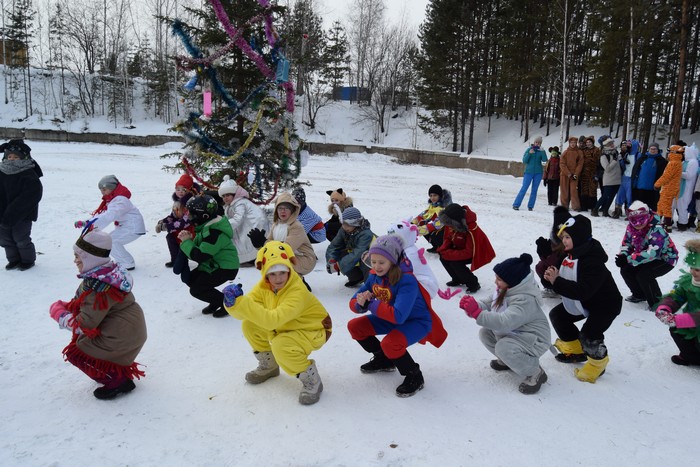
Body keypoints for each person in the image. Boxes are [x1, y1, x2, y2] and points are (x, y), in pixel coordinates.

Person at [223, 241, 332, 405]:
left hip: (313, 329)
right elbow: (245, 313)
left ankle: (312, 380)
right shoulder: (264, 287)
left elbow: (272, 321)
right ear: (265, 274)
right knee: (249, 325)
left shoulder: (297, 291)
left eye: (282, 272)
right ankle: (270, 365)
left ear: (289, 270)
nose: (278, 278)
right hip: (287, 326)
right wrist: (232, 304)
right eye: (272, 274)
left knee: (281, 345)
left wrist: (242, 303)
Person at [48, 229, 146, 400]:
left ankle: (117, 381)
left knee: (76, 353)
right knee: (82, 341)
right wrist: (69, 306)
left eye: (78, 256)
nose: (75, 260)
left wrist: (59, 314)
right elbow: (86, 305)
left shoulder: (99, 288)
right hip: (127, 330)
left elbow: (83, 324)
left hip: (121, 336)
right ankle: (113, 372)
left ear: (90, 258)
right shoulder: (106, 275)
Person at [347, 234, 447, 397]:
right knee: (355, 327)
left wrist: (371, 304)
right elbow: (353, 301)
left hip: (416, 322)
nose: (376, 266)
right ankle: (384, 360)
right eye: (373, 261)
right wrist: (361, 303)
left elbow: (399, 316)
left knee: (390, 344)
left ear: (392, 261)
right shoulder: (374, 276)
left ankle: (414, 375)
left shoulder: (407, 280)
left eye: (381, 262)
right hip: (390, 317)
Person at [543, 214, 622, 383]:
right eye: (563, 237)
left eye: (567, 237)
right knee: (558, 316)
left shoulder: (593, 262)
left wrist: (557, 282)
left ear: (578, 237)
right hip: (584, 301)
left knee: (589, 334)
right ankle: (577, 351)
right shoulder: (569, 255)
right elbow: (558, 274)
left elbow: (583, 291)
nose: (564, 241)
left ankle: (598, 363)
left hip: (605, 305)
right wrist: (549, 274)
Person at [459, 253, 551, 394]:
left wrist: (477, 313)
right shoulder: (505, 290)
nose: (495, 282)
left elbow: (504, 322)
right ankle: (509, 360)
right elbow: (487, 303)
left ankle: (535, 372)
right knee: (485, 333)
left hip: (534, 339)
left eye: (499, 279)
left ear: (513, 282)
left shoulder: (524, 300)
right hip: (518, 334)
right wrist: (473, 307)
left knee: (503, 348)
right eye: (496, 277)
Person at [178, 194, 239, 318]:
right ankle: (214, 300)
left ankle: (226, 303)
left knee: (196, 289)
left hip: (225, 268)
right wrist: (189, 240)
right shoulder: (206, 226)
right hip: (213, 264)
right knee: (191, 279)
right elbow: (199, 250)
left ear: (203, 216)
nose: (188, 216)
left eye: (191, 214)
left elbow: (200, 256)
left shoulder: (214, 233)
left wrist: (186, 242)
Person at [615, 201, 678, 310]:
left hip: (666, 259)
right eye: (634, 220)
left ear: (647, 216)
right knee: (626, 269)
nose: (638, 224)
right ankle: (639, 294)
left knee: (644, 274)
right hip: (645, 257)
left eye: (641, 219)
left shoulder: (657, 229)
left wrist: (629, 259)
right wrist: (623, 256)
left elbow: (652, 253)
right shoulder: (631, 228)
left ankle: (657, 302)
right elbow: (627, 244)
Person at [75, 175, 146, 271]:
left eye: (104, 189)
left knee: (111, 242)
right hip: (127, 227)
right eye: (101, 190)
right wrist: (87, 222)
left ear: (112, 188)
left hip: (133, 227)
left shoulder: (121, 200)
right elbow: (103, 214)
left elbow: (110, 215)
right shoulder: (112, 200)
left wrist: (92, 225)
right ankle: (125, 261)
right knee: (110, 241)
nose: (102, 192)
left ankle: (127, 263)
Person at [249, 192, 317, 288]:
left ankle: (298, 283)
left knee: (279, 259)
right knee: (270, 259)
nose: (283, 211)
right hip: (290, 257)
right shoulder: (276, 225)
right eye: (280, 208)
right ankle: (284, 283)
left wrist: (264, 242)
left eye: (287, 208)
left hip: (305, 259)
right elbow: (268, 247)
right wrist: (258, 244)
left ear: (292, 211)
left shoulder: (296, 226)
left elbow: (285, 248)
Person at [654, 239, 700, 366]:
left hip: (694, 321)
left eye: (697, 269)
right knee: (677, 330)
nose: (692, 272)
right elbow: (677, 295)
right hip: (691, 324)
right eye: (691, 267)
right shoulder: (689, 281)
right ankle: (689, 356)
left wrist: (679, 320)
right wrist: (665, 308)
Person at [0, 138, 43, 270]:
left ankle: (27, 260)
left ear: (23, 158)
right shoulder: (1, 171)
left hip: (22, 214)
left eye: (16, 157)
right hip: (2, 213)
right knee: (5, 239)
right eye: (9, 157)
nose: (12, 159)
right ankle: (14, 260)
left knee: (21, 238)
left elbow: (32, 195)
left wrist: (13, 212)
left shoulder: (28, 173)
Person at [436, 203, 495, 293]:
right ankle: (457, 278)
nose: (449, 227)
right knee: (443, 258)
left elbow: (469, 252)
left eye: (450, 224)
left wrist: (449, 254)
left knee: (455, 263)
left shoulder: (470, 229)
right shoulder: (453, 223)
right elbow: (449, 237)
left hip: (475, 252)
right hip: (460, 248)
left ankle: (473, 283)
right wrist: (443, 249)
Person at [218, 174, 269, 265]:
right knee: (241, 238)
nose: (225, 198)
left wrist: (222, 225)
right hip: (248, 224)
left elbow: (238, 219)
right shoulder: (232, 204)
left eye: (228, 195)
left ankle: (250, 257)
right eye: (223, 196)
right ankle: (247, 257)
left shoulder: (240, 203)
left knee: (246, 240)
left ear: (234, 194)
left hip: (253, 224)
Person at [387, 221, 439, 298]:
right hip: (418, 284)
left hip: (424, 287)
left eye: (395, 239)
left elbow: (400, 271)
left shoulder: (410, 254)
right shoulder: (404, 249)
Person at [325, 206, 375, 287]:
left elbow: (358, 253)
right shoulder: (344, 230)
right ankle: (356, 277)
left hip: (372, 257)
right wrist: (331, 260)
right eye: (343, 224)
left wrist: (339, 266)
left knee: (366, 260)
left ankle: (370, 286)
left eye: (347, 224)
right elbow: (334, 246)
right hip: (357, 254)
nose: (344, 227)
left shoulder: (366, 234)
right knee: (340, 254)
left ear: (356, 223)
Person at [155, 173, 198, 268]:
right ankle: (175, 260)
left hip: (192, 229)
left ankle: (186, 259)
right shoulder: (177, 202)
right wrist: (163, 221)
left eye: (184, 189)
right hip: (181, 228)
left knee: (181, 238)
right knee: (170, 237)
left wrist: (167, 227)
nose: (180, 192)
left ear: (189, 190)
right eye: (178, 189)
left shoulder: (191, 203)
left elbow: (185, 222)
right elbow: (173, 216)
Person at [534, 206, 572, 297]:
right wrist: (544, 253)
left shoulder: (570, 241)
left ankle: (558, 289)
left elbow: (560, 263)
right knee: (541, 266)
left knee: (543, 267)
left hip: (570, 274)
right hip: (558, 264)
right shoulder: (556, 237)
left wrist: (545, 256)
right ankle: (554, 288)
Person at [411, 184, 452, 252]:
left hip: (448, 232)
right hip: (440, 229)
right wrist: (412, 223)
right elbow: (423, 215)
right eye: (431, 196)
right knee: (423, 225)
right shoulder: (433, 206)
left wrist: (418, 230)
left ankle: (444, 247)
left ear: (440, 196)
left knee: (431, 232)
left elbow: (437, 224)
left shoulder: (444, 207)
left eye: (435, 195)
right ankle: (436, 246)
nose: (432, 198)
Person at [653, 145, 684, 233]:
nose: (669, 153)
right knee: (661, 204)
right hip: (671, 186)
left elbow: (667, 176)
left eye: (670, 151)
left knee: (665, 205)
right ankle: (658, 222)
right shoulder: (677, 162)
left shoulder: (673, 163)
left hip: (669, 187)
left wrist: (657, 184)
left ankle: (668, 225)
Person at [512, 136, 548, 211]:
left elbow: (544, 160)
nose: (537, 144)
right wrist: (529, 153)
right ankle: (516, 204)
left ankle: (530, 206)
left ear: (541, 144)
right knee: (524, 188)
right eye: (536, 142)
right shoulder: (529, 149)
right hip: (528, 172)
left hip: (538, 173)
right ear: (534, 142)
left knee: (534, 190)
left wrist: (543, 152)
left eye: (539, 143)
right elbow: (524, 161)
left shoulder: (541, 151)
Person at [631, 142, 667, 211]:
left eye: (654, 149)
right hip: (641, 186)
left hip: (653, 188)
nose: (653, 150)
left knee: (652, 206)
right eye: (651, 149)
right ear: (648, 149)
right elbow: (636, 170)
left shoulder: (662, 161)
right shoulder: (642, 158)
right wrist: (634, 182)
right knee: (640, 205)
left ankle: (652, 216)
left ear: (658, 150)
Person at [591, 135, 620, 217]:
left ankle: (605, 211)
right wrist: (614, 160)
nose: (612, 145)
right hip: (609, 179)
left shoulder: (615, 153)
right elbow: (607, 168)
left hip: (617, 178)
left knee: (611, 197)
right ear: (605, 145)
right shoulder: (603, 155)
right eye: (609, 144)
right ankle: (595, 210)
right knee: (605, 196)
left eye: (612, 143)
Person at [612, 139, 641, 219]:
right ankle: (617, 211)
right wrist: (622, 161)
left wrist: (637, 177)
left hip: (632, 178)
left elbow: (640, 167)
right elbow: (623, 166)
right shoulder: (626, 154)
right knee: (620, 195)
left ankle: (630, 214)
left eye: (629, 145)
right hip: (624, 177)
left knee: (629, 196)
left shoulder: (638, 155)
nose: (627, 146)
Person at [677, 143, 698, 231]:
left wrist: (677, 172)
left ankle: (683, 224)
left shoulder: (693, 162)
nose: (684, 154)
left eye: (685, 152)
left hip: (687, 187)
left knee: (683, 206)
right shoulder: (684, 162)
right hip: (680, 187)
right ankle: (681, 222)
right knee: (679, 206)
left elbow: (689, 175)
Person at [559, 136, 583, 211]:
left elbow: (580, 164)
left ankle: (576, 206)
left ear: (576, 143)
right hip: (565, 174)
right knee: (564, 191)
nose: (573, 144)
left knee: (574, 191)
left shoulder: (579, 152)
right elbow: (562, 164)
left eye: (574, 142)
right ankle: (564, 206)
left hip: (574, 175)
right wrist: (568, 173)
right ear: (569, 143)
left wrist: (576, 174)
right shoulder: (565, 152)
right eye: (571, 142)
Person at [579, 136, 600, 211]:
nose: (588, 143)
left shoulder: (597, 150)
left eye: (590, 142)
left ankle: (593, 206)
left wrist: (597, 172)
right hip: (584, 173)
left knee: (592, 189)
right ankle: (584, 206)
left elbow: (598, 161)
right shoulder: (583, 150)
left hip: (593, 172)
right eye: (587, 142)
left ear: (592, 143)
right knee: (584, 189)